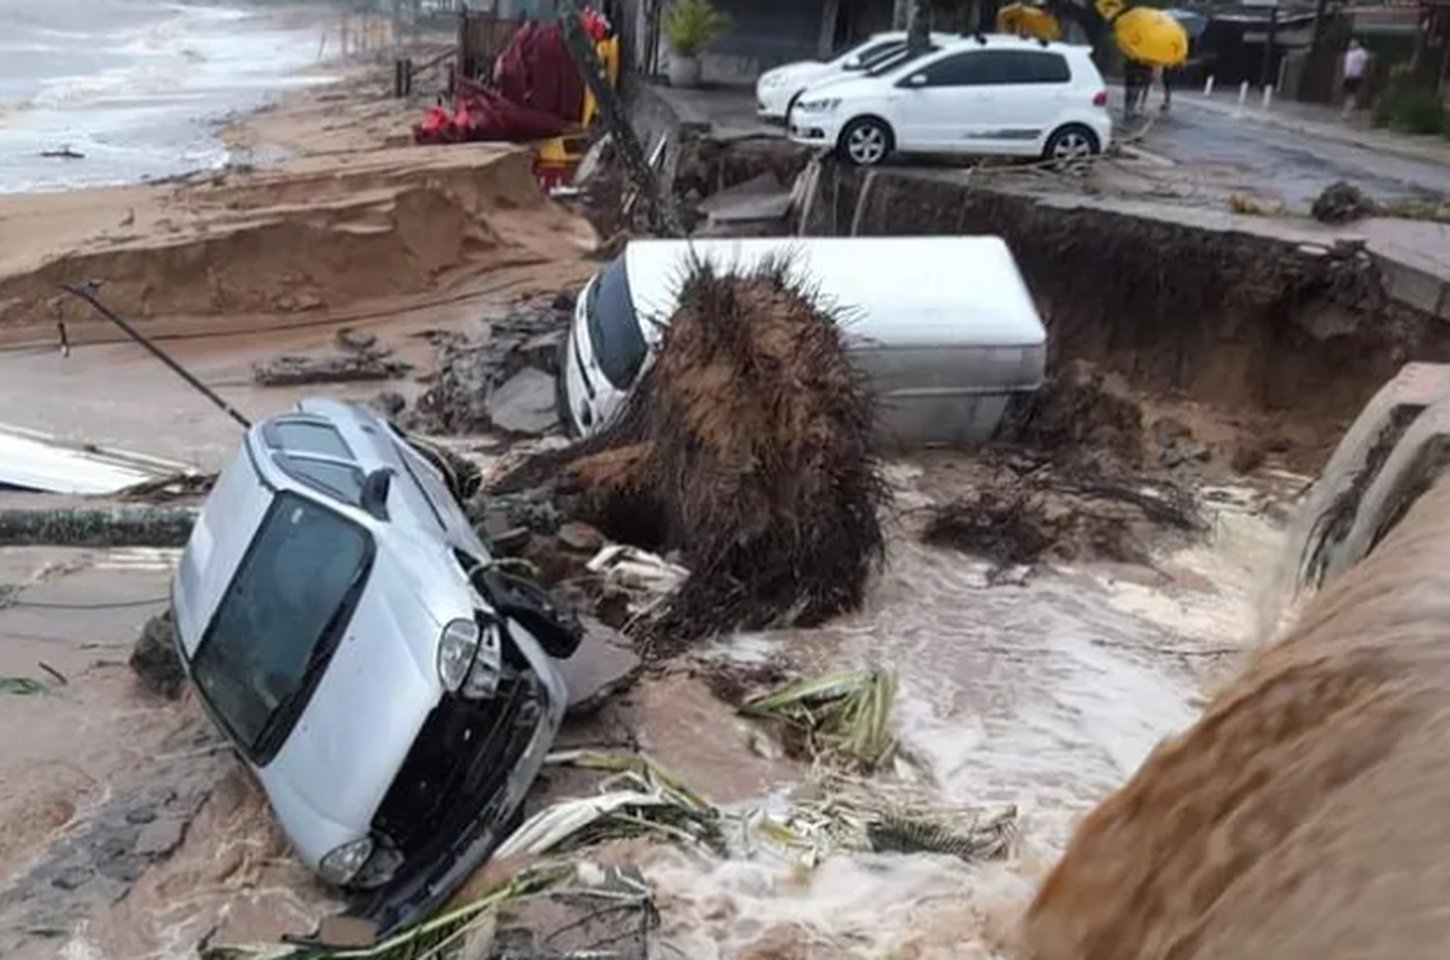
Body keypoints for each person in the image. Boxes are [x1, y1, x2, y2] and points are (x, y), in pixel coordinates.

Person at [1342, 39, 1368, 119]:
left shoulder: (1360, 52)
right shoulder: (1349, 53)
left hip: (1355, 76)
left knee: (1351, 94)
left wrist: (1362, 71)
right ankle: (1348, 110)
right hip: (1348, 76)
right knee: (1347, 94)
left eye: (1354, 43)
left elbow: (1365, 60)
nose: (1352, 44)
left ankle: (1347, 112)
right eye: (1351, 43)